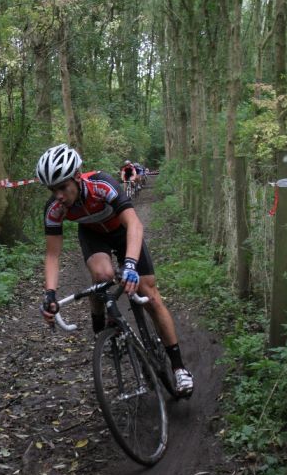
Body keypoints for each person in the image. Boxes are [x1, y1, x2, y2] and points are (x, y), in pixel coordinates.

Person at [36, 144, 193, 397]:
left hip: (122, 231)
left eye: (62, 187)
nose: (58, 196)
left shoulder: (101, 184)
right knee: (102, 276)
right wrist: (50, 293)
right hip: (93, 235)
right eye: (52, 190)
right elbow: (52, 254)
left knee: (149, 294)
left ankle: (179, 368)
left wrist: (130, 264)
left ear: (77, 176)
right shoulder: (54, 209)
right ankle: (101, 326)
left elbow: (134, 224)